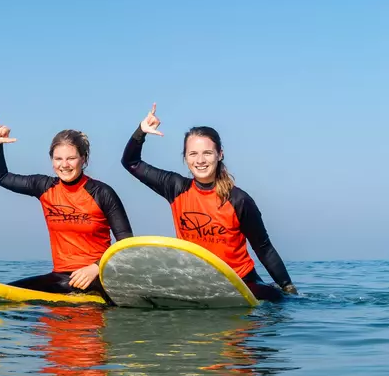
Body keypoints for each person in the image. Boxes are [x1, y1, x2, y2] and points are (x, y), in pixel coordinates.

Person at [121, 103, 298, 301]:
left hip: (240, 282)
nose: (200, 160)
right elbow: (131, 162)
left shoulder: (238, 200)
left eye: (207, 153)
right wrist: (141, 132)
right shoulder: (176, 187)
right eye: (193, 154)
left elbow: (263, 248)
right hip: (198, 282)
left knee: (273, 296)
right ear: (185, 158)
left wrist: (288, 287)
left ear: (219, 155)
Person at [0, 117, 133, 295]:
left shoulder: (101, 193)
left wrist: (96, 268)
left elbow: (126, 244)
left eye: (71, 158)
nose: (64, 165)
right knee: (6, 293)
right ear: (51, 160)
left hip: (100, 277)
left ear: (83, 158)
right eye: (58, 159)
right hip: (61, 278)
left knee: (62, 287)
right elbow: (1, 177)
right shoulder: (44, 187)